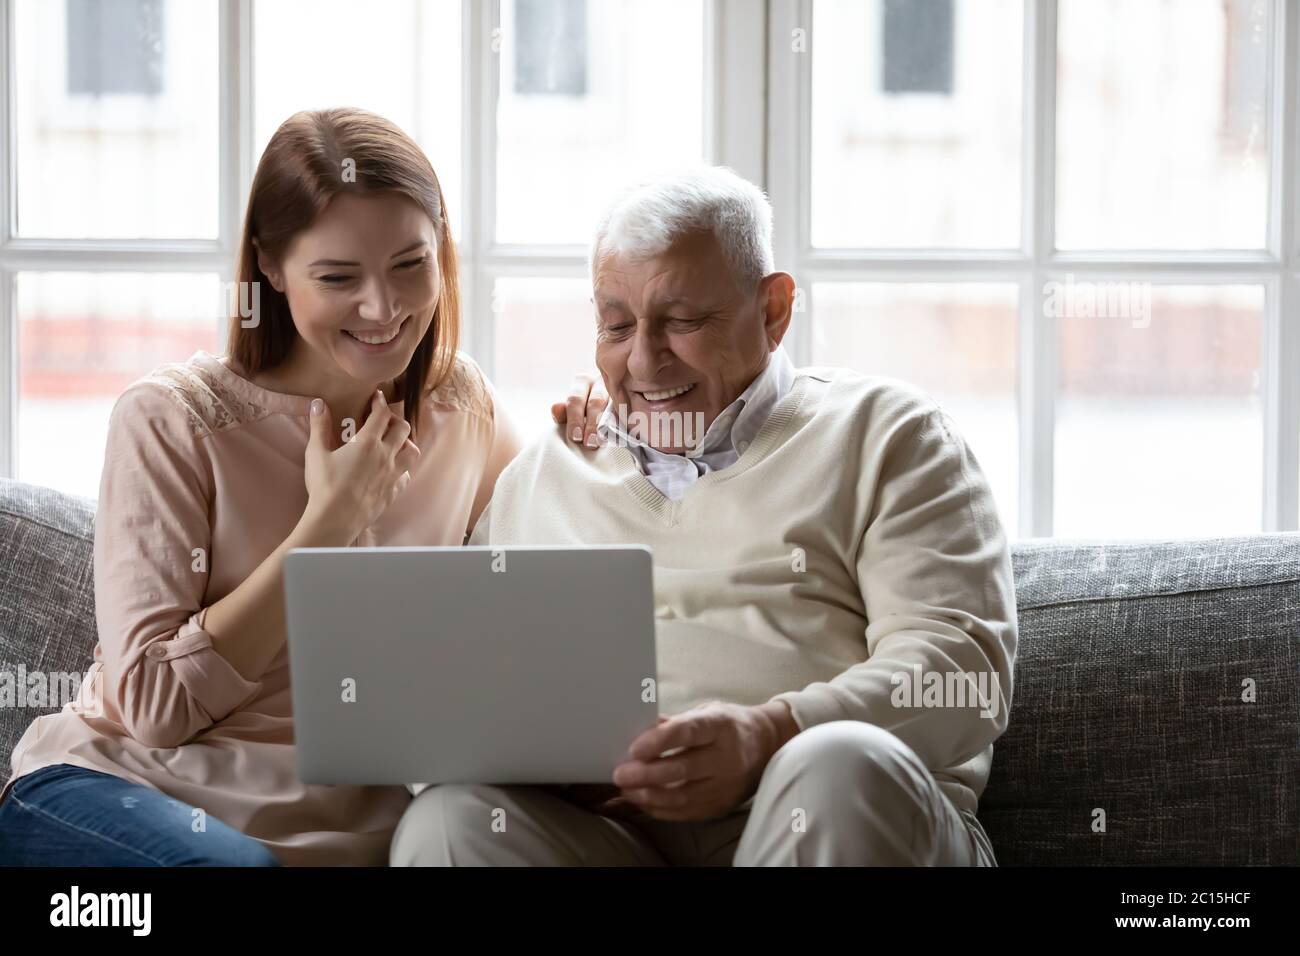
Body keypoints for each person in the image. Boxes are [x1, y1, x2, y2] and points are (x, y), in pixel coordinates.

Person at [0, 107, 605, 866]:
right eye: (338, 278)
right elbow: (155, 709)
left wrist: (602, 448)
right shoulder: (171, 422)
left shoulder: (461, 410)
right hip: (118, 794)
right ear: (272, 268)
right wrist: (328, 524)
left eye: (410, 265)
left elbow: (545, 593)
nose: (383, 309)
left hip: (343, 833)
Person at [390, 166, 1018, 866]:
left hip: (833, 817)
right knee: (446, 822)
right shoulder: (547, 472)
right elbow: (454, 692)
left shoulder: (888, 434)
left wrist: (769, 735)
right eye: (616, 325)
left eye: (683, 322)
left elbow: (964, 671)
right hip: (615, 838)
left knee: (839, 764)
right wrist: (541, 761)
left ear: (774, 311)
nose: (644, 360)